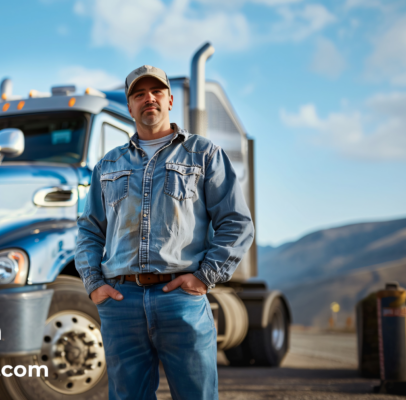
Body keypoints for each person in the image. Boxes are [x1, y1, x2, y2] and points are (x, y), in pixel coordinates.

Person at [75, 65, 254, 400]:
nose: (149, 99)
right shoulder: (108, 165)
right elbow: (89, 229)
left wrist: (203, 277)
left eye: (156, 92)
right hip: (121, 302)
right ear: (129, 106)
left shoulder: (204, 154)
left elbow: (236, 222)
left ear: (170, 99)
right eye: (139, 94)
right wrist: (94, 284)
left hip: (180, 299)